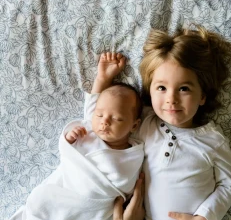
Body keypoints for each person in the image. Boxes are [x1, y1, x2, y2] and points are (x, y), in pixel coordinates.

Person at [100, 25, 231, 220]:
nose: (171, 99)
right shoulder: (143, 122)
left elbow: (229, 185)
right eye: (162, 88)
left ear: (202, 96)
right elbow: (104, 117)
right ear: (150, 91)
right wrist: (103, 80)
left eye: (183, 89)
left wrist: (204, 216)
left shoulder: (212, 140)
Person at [9, 53, 144, 220]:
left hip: (93, 206)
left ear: (134, 125)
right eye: (100, 115)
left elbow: (126, 186)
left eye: (117, 118)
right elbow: (94, 102)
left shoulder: (134, 153)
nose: (105, 122)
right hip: (66, 192)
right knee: (41, 203)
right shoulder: (89, 130)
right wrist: (103, 76)